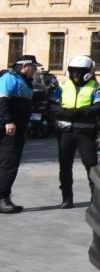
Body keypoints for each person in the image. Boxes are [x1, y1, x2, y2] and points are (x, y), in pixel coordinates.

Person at [50, 56, 100, 208]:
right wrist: (64, 112)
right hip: (65, 131)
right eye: (73, 71)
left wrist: (80, 112)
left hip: (85, 131)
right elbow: (52, 106)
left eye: (80, 71)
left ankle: (95, 199)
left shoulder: (96, 87)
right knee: (65, 166)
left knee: (91, 165)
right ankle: (66, 198)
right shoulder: (61, 86)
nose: (76, 74)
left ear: (88, 72)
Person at [0, 56, 41, 214]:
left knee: (9, 162)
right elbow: (1, 101)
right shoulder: (9, 78)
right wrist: (8, 122)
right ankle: (2, 198)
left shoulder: (24, 82)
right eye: (34, 67)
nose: (35, 71)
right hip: (8, 129)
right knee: (8, 163)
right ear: (25, 66)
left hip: (17, 129)